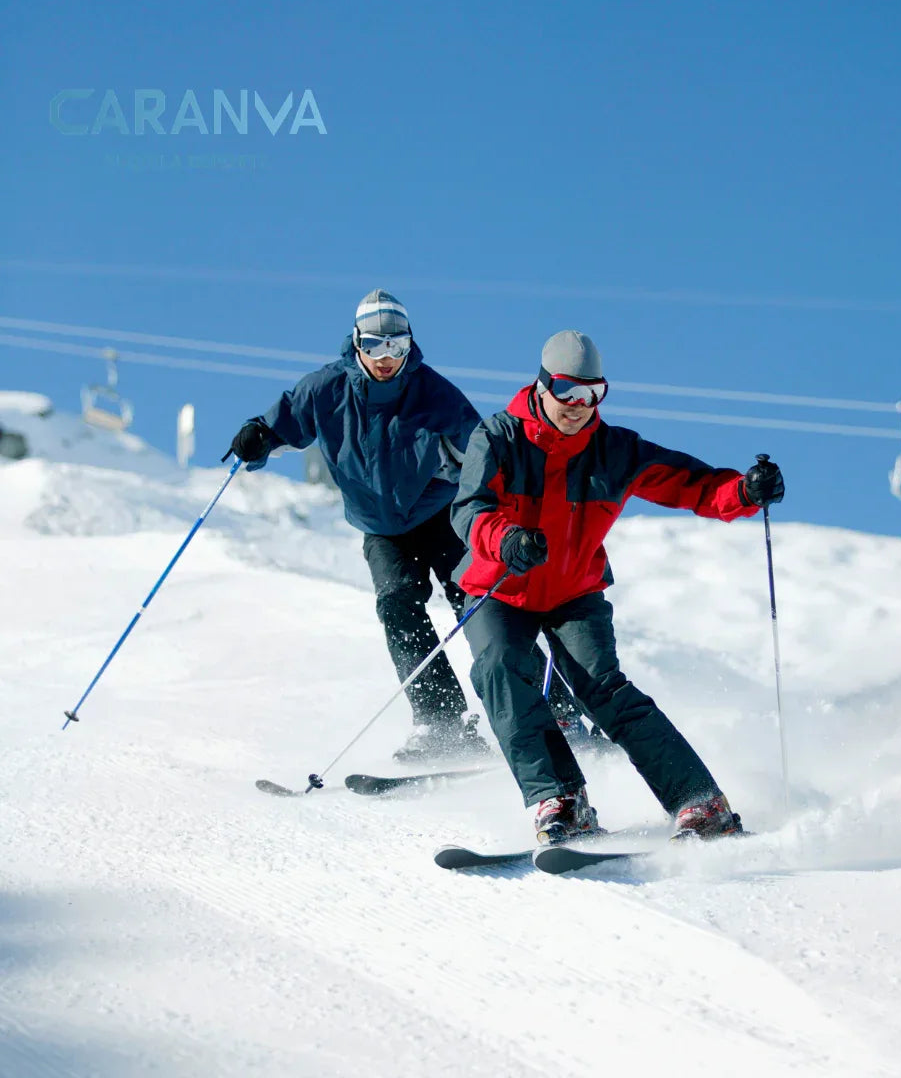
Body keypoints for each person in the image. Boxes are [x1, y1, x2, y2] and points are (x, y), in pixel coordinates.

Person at [451, 329, 785, 841]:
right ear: (542, 386)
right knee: (499, 667)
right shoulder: (498, 437)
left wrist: (743, 490)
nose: (578, 406)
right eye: (567, 391)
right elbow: (468, 509)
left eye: (592, 394)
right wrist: (507, 538)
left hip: (572, 592)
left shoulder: (616, 450)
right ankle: (560, 800)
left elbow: (690, 484)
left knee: (605, 690)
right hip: (503, 586)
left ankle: (700, 804)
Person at [227, 290, 584, 762]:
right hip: (381, 528)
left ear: (409, 346)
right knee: (397, 607)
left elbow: (484, 460)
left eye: (396, 348)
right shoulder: (326, 390)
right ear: (356, 344)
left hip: (443, 515)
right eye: (374, 347)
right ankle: (442, 726)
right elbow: (285, 421)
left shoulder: (435, 395)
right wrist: (259, 435)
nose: (385, 359)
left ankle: (556, 711)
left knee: (483, 607)